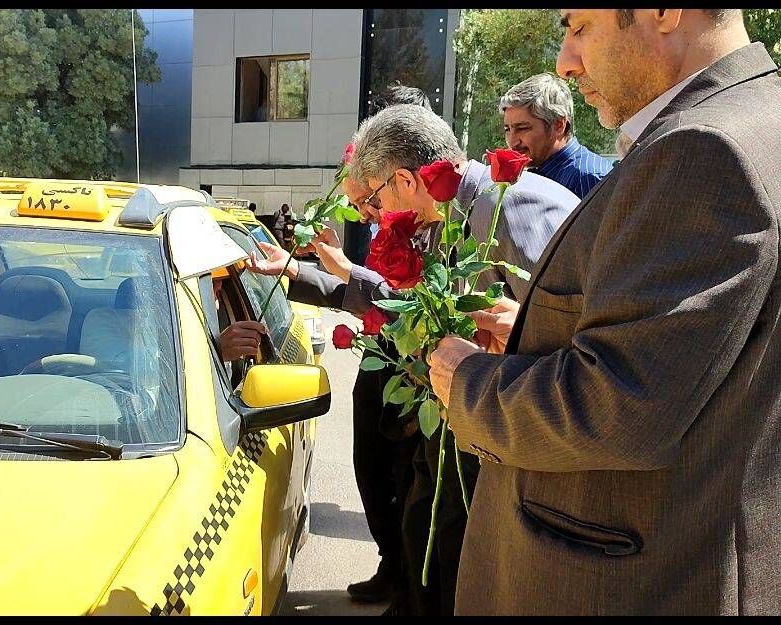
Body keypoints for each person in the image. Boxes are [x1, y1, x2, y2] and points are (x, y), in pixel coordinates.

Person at [427, 9, 780, 615]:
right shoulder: (752, 119)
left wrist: (470, 384)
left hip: (619, 584)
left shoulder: (704, 148)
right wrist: (541, 334)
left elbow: (623, 406)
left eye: (581, 26)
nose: (565, 60)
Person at [251, 103, 579, 615]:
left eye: (375, 200)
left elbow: (572, 344)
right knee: (427, 531)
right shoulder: (448, 215)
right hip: (461, 422)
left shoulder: (511, 209)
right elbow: (400, 299)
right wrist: (304, 275)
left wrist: (499, 348)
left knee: (452, 546)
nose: (375, 217)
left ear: (404, 180)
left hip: (508, 439)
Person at [501, 73, 612, 198]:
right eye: (507, 129)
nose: (512, 141)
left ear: (559, 125)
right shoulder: (542, 171)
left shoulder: (587, 178)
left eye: (522, 128)